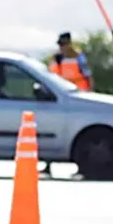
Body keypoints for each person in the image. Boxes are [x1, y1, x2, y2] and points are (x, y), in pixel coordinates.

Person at [41, 32, 94, 175]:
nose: (61, 47)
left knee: (79, 132)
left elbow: (88, 77)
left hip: (78, 98)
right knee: (53, 130)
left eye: (64, 44)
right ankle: (48, 164)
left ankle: (81, 166)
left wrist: (90, 94)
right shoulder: (57, 59)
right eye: (60, 45)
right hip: (60, 99)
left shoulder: (79, 58)